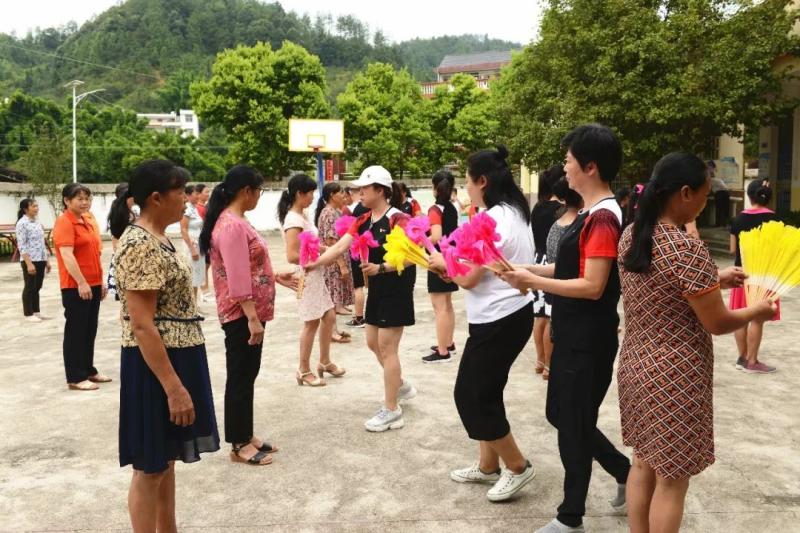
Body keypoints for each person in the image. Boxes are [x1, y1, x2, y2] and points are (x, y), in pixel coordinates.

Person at [616, 152, 776, 533]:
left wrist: (715, 278)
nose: (705, 204)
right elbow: (717, 322)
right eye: (704, 196)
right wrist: (756, 311)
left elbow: (662, 286)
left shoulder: (632, 236)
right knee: (672, 481)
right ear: (685, 193)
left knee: (642, 463)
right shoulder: (687, 249)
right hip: (676, 377)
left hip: (636, 366)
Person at [501, 124, 631, 533]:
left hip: (588, 339)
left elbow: (593, 286)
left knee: (572, 423)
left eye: (569, 160)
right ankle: (623, 471)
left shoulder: (604, 217)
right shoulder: (589, 213)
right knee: (561, 414)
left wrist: (531, 281)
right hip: (572, 334)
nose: (564, 167)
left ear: (590, 167)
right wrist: (525, 270)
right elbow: (570, 268)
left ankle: (570, 516)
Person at [110, 159, 220, 532]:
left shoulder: (160, 237)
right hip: (156, 367)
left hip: (176, 357)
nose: (186, 200)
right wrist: (174, 388)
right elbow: (142, 326)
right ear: (156, 198)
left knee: (166, 459)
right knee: (150, 467)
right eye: (180, 192)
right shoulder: (139, 243)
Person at [428, 145, 536, 502]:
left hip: (498, 319)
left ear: (483, 181)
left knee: (471, 395)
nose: (466, 189)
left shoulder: (489, 220)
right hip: (510, 314)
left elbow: (470, 278)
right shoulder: (514, 211)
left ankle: (517, 465)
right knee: (487, 392)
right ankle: (488, 465)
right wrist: (453, 266)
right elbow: (481, 270)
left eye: (468, 182)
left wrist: (443, 264)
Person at [198, 165, 296, 466]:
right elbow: (237, 277)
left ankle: (245, 432)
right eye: (259, 191)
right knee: (240, 376)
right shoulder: (231, 225)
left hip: (250, 311)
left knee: (247, 374)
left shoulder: (237, 221)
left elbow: (248, 265)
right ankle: (238, 443)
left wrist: (274, 276)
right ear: (246, 191)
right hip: (241, 314)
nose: (258, 197)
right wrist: (252, 318)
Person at [340, 166, 419, 431]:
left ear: (381, 190)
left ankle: (392, 410)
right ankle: (400, 384)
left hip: (396, 289)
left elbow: (414, 255)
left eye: (364, 187)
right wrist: (315, 262)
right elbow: (341, 245)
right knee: (372, 343)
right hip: (376, 289)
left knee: (387, 347)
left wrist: (381, 268)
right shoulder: (363, 218)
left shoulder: (399, 218)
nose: (359, 192)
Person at [278, 174, 345, 387]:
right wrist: (321, 256)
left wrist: (325, 250)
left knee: (329, 315)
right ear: (299, 193)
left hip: (316, 275)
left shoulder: (303, 216)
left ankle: (324, 361)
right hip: (306, 276)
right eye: (310, 193)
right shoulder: (293, 220)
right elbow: (292, 255)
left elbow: (310, 245)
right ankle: (303, 369)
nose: (313, 197)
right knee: (311, 323)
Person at [53, 183, 111, 391]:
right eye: (80, 199)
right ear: (67, 201)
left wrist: (99, 281)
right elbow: (67, 255)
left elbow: (94, 254)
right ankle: (75, 377)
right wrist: (81, 282)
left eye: (87, 198)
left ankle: (88, 370)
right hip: (75, 286)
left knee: (89, 329)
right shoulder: (65, 222)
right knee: (76, 331)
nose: (85, 202)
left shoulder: (86, 220)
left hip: (92, 283)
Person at [729, 179, 779, 374]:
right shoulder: (775, 219)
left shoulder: (738, 219)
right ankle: (752, 361)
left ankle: (742, 358)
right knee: (757, 318)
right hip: (764, 274)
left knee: (740, 317)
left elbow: (733, 249)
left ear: (749, 196)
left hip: (740, 273)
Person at [540, 178, 583, 380]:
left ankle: (547, 365)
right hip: (569, 289)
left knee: (550, 323)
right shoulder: (578, 227)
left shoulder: (556, 225)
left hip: (553, 285)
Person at [530, 165, 564, 376]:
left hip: (537, 261)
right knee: (551, 316)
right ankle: (550, 366)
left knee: (539, 315)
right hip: (551, 263)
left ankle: (540, 360)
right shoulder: (560, 209)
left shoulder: (537, 207)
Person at [423, 169, 459, 363]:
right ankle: (448, 342)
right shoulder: (452, 208)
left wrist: (418, 242)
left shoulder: (435, 209)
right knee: (447, 304)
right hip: (451, 257)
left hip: (438, 260)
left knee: (440, 307)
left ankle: (443, 351)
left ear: (435, 188)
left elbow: (436, 236)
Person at [315, 181, 355, 342]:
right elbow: (331, 241)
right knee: (331, 298)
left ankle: (334, 329)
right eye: (340, 193)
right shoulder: (329, 213)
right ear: (332, 195)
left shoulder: (335, 212)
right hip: (333, 262)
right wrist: (342, 265)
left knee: (334, 297)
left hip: (336, 259)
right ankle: (331, 332)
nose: (344, 196)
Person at [16, 198, 51, 322]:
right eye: (33, 206)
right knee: (30, 287)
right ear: (25, 209)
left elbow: (42, 243)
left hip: (40, 258)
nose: (36, 208)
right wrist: (29, 263)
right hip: (30, 260)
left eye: (37, 206)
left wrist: (47, 260)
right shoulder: (22, 223)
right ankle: (28, 313)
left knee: (37, 286)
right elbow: (22, 245)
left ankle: (36, 312)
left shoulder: (37, 222)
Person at [107, 184, 139, 301]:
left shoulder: (135, 212)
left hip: (132, 259)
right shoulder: (118, 215)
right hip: (127, 260)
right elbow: (116, 243)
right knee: (127, 300)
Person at [345, 191, 369, 328]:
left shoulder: (359, 209)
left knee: (358, 286)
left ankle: (359, 317)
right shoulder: (371, 209)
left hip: (358, 250)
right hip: (366, 249)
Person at [180, 182, 205, 303]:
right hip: (191, 244)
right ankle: (191, 305)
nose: (198, 196)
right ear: (188, 195)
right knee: (192, 274)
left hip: (198, 243)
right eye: (196, 193)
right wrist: (192, 249)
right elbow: (183, 229)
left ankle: (195, 305)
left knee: (197, 275)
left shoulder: (194, 208)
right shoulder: (187, 209)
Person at [708, 160, 730, 227]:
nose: (709, 167)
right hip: (722, 192)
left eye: (710, 165)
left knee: (722, 208)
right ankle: (722, 224)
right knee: (722, 208)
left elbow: (710, 184)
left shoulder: (712, 172)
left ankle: (722, 224)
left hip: (722, 192)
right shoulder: (710, 172)